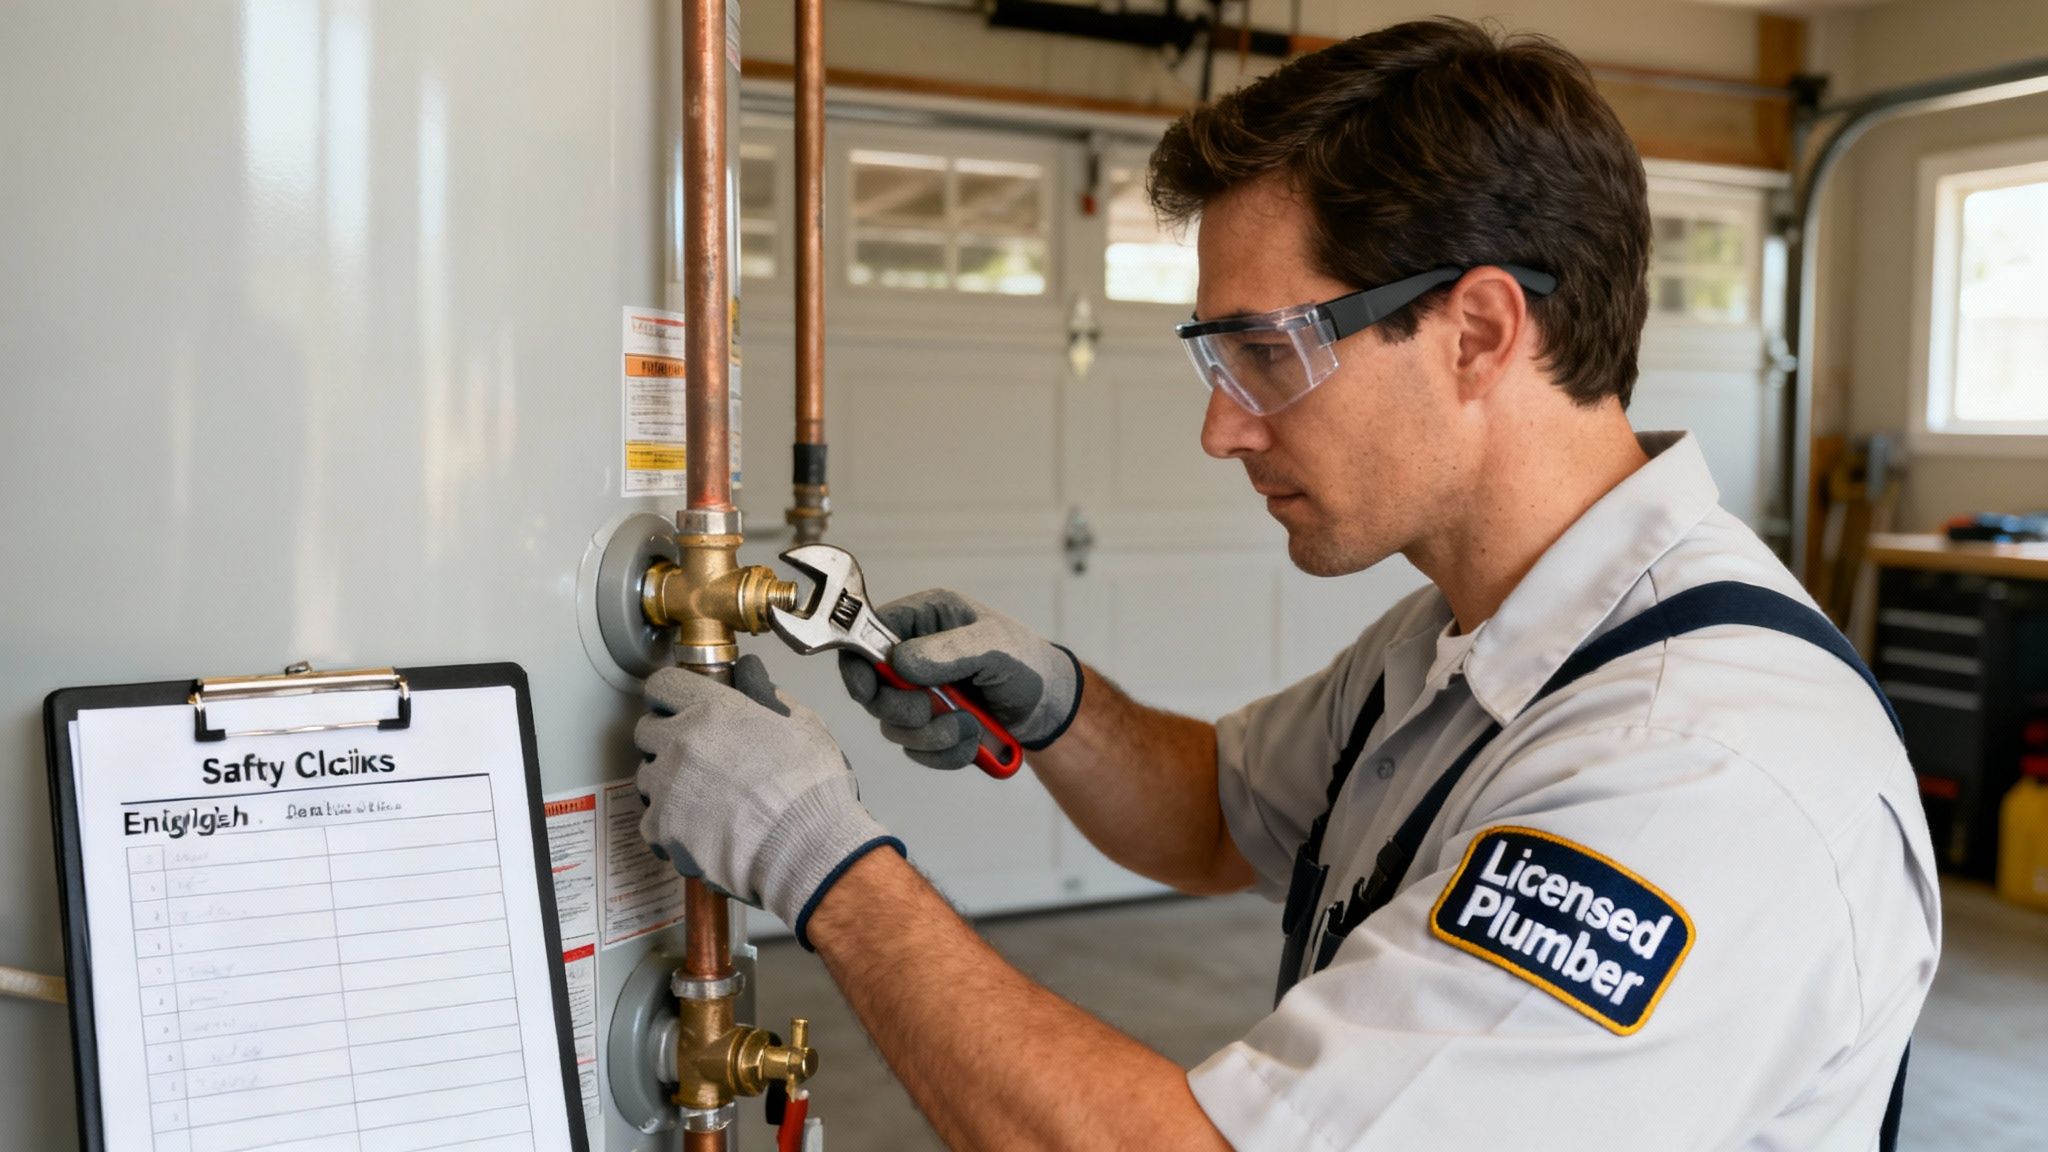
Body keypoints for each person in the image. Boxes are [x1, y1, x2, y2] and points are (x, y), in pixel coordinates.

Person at [635, 18, 1940, 1150]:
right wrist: (1054, 704)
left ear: (1480, 330)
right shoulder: (1467, 635)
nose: (1225, 431)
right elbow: (1219, 813)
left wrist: (826, 867)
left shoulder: (1691, 772)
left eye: (1270, 352)